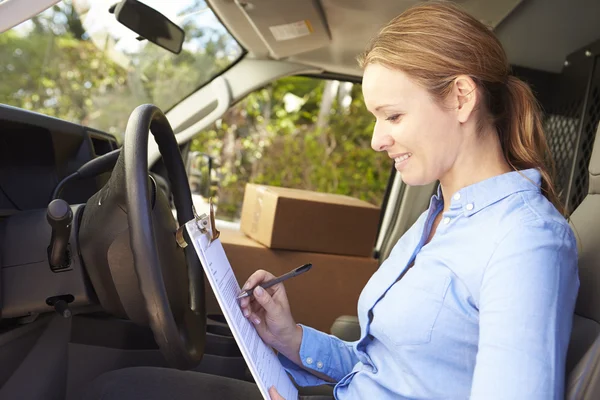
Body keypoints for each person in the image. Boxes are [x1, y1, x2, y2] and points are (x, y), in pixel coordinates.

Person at [83, 2, 579, 399]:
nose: (376, 140)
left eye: (393, 116)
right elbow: (380, 368)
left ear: (461, 98)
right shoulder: (436, 216)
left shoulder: (525, 242)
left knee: (117, 387)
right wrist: (290, 337)